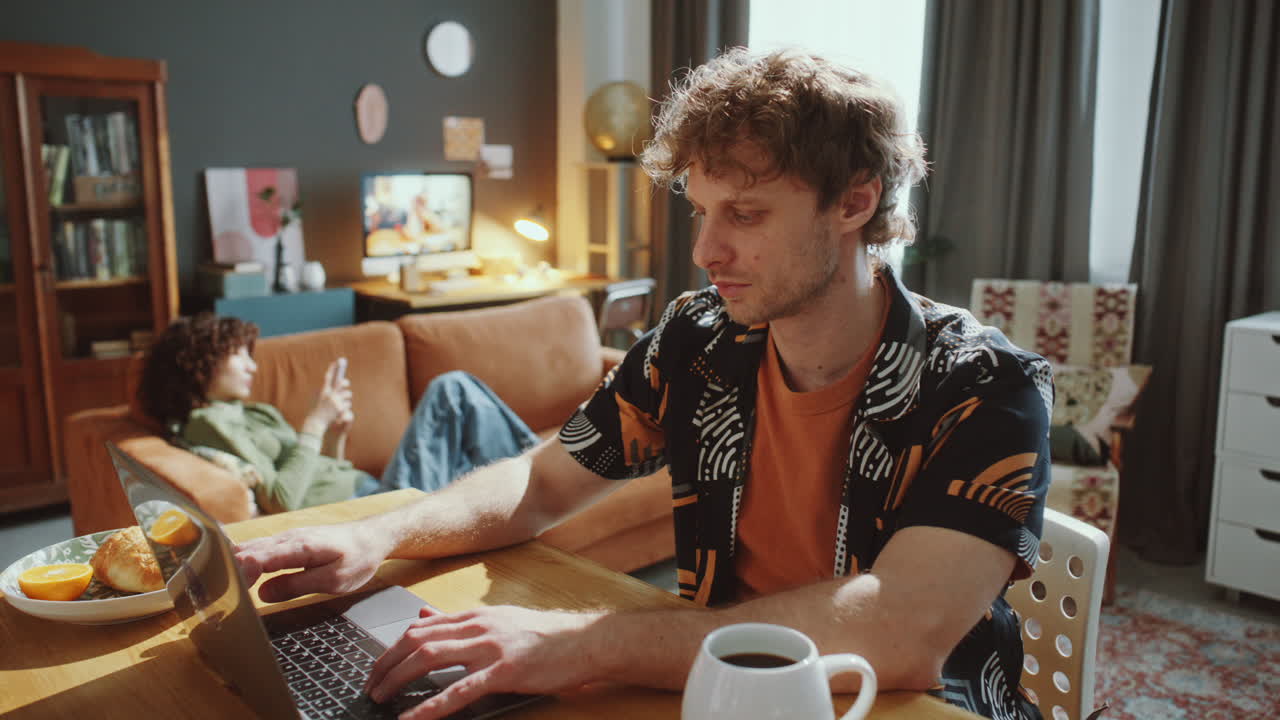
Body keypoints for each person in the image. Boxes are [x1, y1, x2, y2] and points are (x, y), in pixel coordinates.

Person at [235, 47, 1052, 720]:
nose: (705, 251)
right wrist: (381, 535)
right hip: (719, 691)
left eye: (746, 214)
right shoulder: (700, 339)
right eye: (701, 211)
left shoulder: (985, 389)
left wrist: (576, 643)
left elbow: (902, 632)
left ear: (855, 202)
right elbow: (541, 483)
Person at [137, 312, 539, 514]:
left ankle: (538, 477)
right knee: (451, 391)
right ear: (199, 363)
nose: (251, 366)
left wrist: (334, 434)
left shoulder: (249, 412)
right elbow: (282, 501)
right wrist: (315, 421)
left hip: (371, 490)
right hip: (380, 506)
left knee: (461, 409)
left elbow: (323, 472)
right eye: (237, 355)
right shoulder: (207, 424)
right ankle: (546, 472)